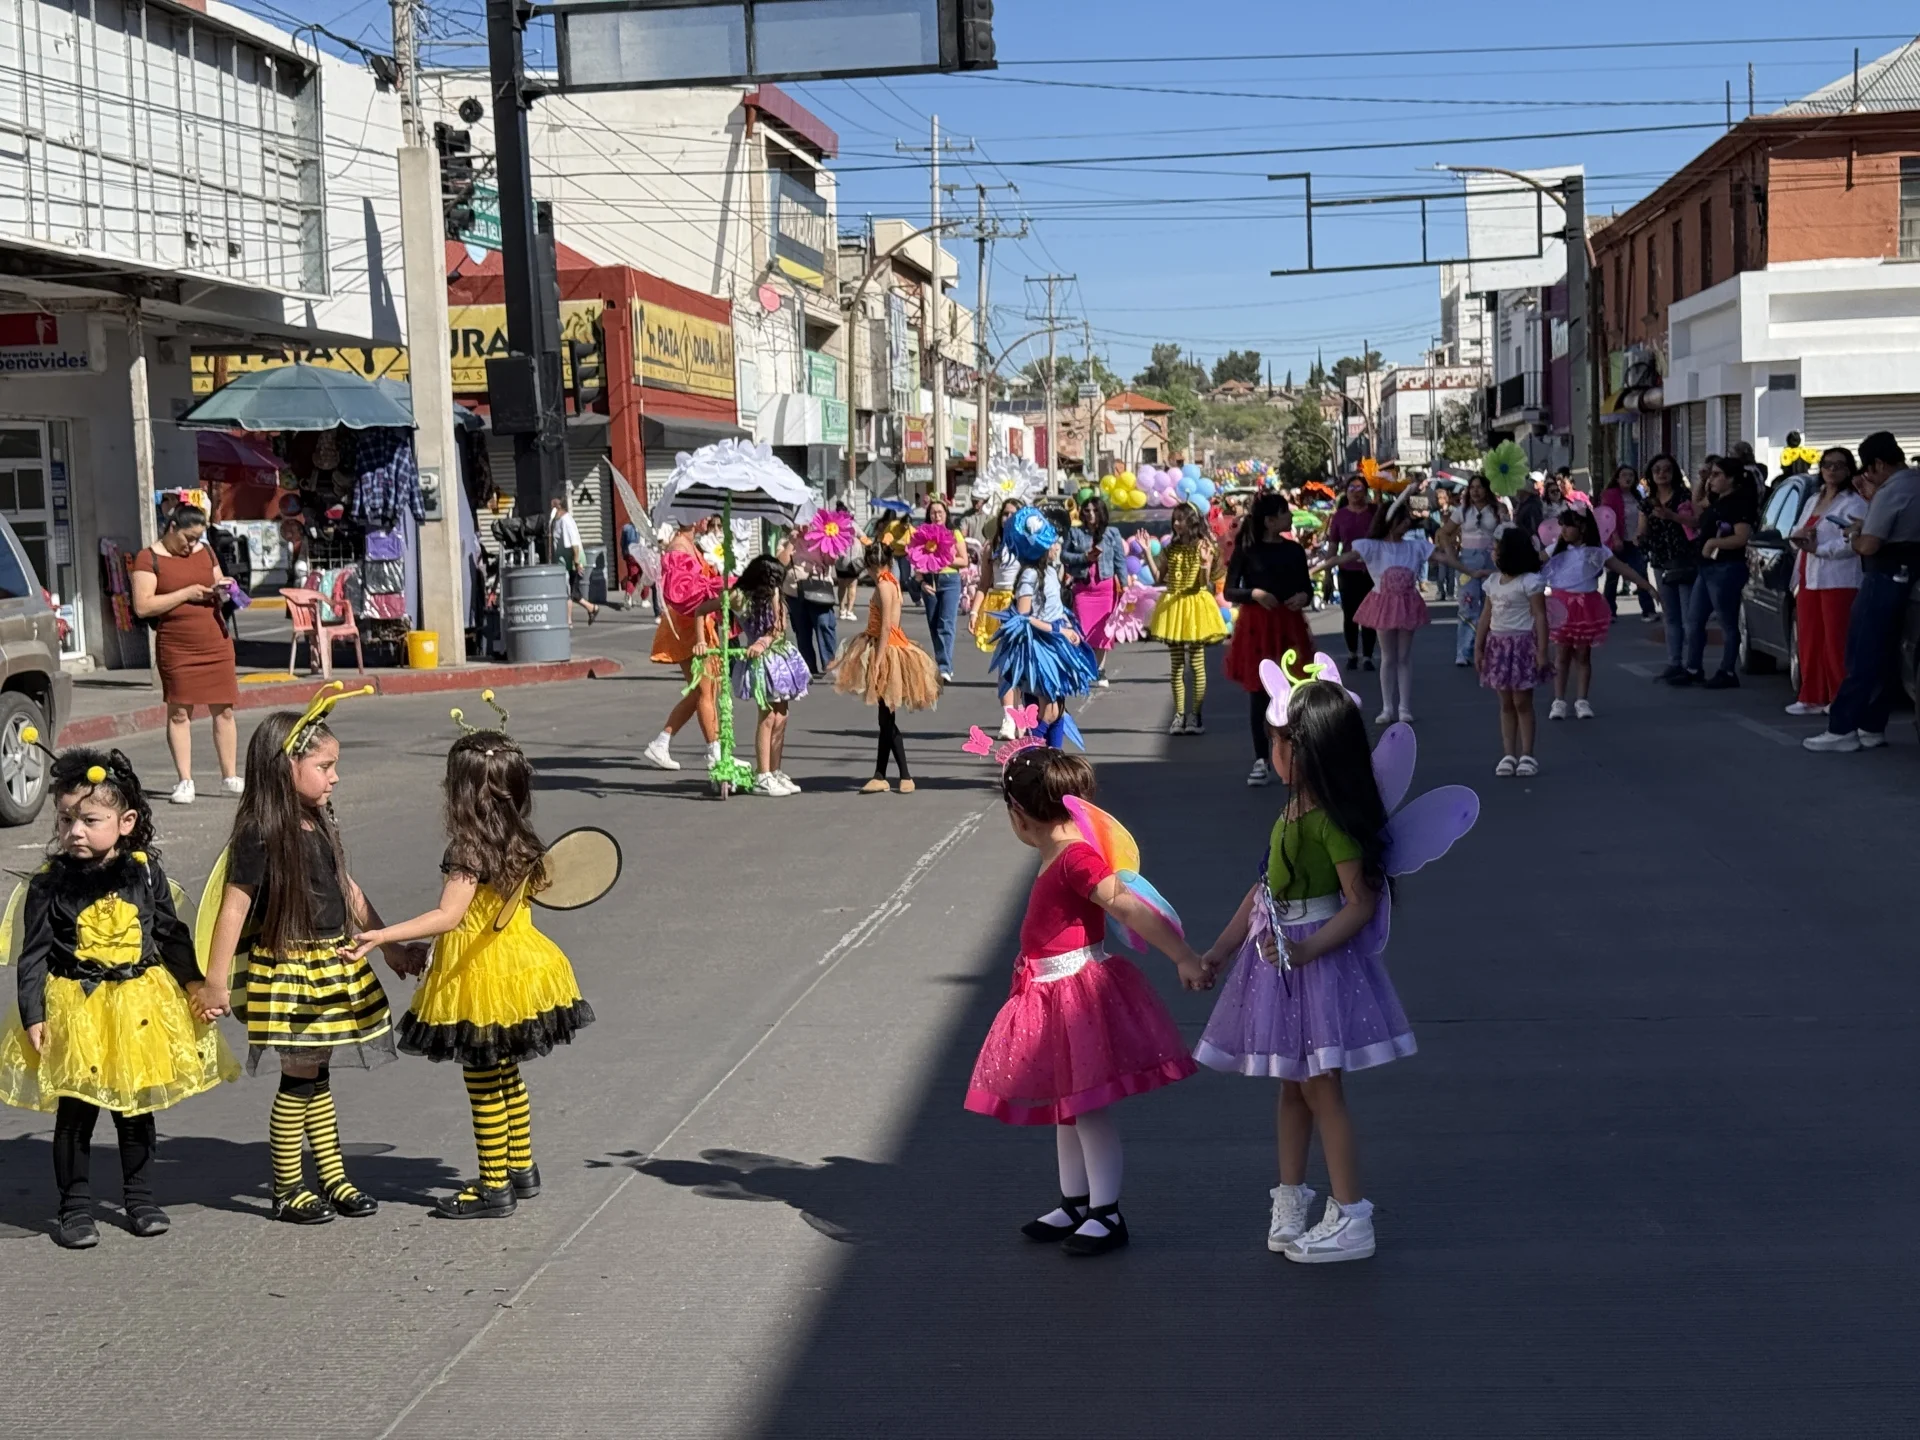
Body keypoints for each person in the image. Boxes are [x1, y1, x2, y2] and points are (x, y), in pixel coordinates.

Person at [1193, 676, 1405, 1263]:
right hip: (1281, 957)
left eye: (1278, 741)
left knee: (1321, 1087)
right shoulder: (1293, 810)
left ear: (1309, 747)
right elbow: (1262, 890)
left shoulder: (1329, 821)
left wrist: (1308, 951)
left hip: (1311, 960)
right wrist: (1219, 949)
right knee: (1293, 1084)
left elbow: (1359, 901)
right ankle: (1292, 1199)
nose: (1271, 752)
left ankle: (1353, 1216)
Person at [963, 748, 1206, 1256]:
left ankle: (1107, 1211)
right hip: (1048, 993)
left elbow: (1125, 905)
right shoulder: (1059, 851)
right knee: (1065, 1108)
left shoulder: (1075, 856)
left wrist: (1181, 954)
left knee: (1088, 1108)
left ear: (1018, 814)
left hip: (1074, 995)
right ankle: (1076, 1200)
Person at [347, 726, 594, 1219]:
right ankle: (522, 1170)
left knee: (482, 1082)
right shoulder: (521, 838)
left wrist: (383, 935)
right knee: (508, 1074)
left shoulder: (468, 847)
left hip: (477, 974)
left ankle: (492, 1185)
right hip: (521, 966)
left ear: (459, 790)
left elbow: (449, 916)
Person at [195, 703, 422, 1225]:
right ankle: (287, 1185)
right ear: (285, 767)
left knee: (314, 1073)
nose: (335, 777)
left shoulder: (316, 818)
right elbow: (234, 908)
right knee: (299, 1076)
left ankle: (333, 1176)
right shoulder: (260, 832)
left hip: (327, 963)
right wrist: (215, 981)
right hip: (289, 969)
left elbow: (346, 888)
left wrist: (387, 945)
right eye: (325, 766)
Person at [0, 748, 236, 1248]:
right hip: (76, 1009)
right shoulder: (49, 884)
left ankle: (140, 1197)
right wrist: (33, 1014)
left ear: (125, 821)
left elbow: (171, 936)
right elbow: (33, 956)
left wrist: (196, 983)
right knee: (77, 1113)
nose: (75, 831)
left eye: (90, 820)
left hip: (138, 1009)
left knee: (135, 1107)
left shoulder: (145, 873)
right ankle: (74, 1207)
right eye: (65, 820)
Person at [1805, 432, 1920, 752]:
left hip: (1882, 576)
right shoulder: (1916, 482)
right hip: (1910, 577)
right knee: (1887, 657)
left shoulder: (1892, 490)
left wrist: (1855, 536)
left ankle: (1842, 728)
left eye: (1869, 471)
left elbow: (1870, 543)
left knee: (1861, 653)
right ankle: (1872, 725)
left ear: (1879, 464)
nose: (1867, 477)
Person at [130, 504, 241, 805]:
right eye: (188, 538)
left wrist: (224, 589)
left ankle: (229, 777)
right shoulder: (148, 558)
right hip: (177, 645)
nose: (192, 544)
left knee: (225, 709)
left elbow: (217, 584)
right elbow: (143, 606)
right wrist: (185, 594)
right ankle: (185, 780)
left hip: (214, 639)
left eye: (197, 538)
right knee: (180, 712)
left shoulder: (205, 552)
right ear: (172, 527)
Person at [1319, 497, 1448, 725]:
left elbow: (1442, 557)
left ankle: (1404, 707)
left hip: (1408, 604)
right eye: (1402, 520)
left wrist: (1470, 569)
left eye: (1408, 520)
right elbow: (1343, 557)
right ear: (1390, 522)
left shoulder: (1414, 546)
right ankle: (1388, 707)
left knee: (1404, 657)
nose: (1407, 524)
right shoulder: (1373, 546)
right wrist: (1316, 568)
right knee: (1389, 657)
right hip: (1383, 604)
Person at [832, 541, 940, 794]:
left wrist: (878, 662)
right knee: (885, 717)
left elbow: (885, 628)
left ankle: (904, 775)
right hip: (890, 645)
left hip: (886, 648)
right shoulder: (892, 580)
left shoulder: (882, 584)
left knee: (886, 717)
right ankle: (881, 774)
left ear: (870, 565)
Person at [1223, 491, 1313, 786]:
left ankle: (1295, 757)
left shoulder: (1294, 550)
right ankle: (1261, 759)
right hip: (1258, 627)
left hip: (1290, 625)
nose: (1290, 517)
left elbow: (1306, 588)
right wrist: (1255, 594)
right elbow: (1229, 591)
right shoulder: (1247, 549)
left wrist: (1303, 596)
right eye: (1284, 512)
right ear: (1270, 520)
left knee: (1296, 692)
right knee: (1259, 693)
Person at [990, 509, 1099, 751]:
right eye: (1052, 542)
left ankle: (1053, 760)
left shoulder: (1050, 571)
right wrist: (1058, 630)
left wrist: (1069, 626)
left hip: (1055, 646)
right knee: (1048, 711)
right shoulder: (1029, 575)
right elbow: (1023, 618)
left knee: (1058, 709)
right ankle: (1028, 757)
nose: (1057, 546)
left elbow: (1056, 608)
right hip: (1039, 650)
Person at [1542, 506, 1655, 720]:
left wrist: (1647, 586)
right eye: (1562, 525)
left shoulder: (1598, 551)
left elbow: (1623, 569)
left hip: (1586, 606)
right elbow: (1530, 563)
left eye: (1569, 525)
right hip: (1561, 606)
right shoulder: (1555, 549)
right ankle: (1559, 701)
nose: (1564, 530)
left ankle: (1582, 700)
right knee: (1562, 654)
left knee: (1583, 655)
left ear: (1583, 527)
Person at [1785, 447, 1869, 715]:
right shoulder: (1813, 498)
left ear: (1849, 470)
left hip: (1839, 579)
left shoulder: (1855, 503)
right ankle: (1811, 695)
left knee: (1836, 641)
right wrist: (1798, 538)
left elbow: (1850, 542)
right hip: (1809, 575)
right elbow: (1796, 530)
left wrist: (1818, 549)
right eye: (1827, 464)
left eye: (1839, 465)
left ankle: (1839, 697)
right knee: (1810, 640)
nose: (1832, 470)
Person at [642, 520, 725, 775]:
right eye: (704, 516)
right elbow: (681, 595)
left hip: (699, 625)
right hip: (686, 628)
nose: (709, 520)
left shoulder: (692, 545)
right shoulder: (679, 547)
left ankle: (662, 742)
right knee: (704, 690)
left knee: (706, 689)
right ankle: (715, 751)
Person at [1672, 455, 1758, 689]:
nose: (1713, 479)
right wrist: (1702, 480)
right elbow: (1697, 503)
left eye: (1717, 475)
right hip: (1707, 567)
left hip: (1726, 567)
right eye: (1712, 474)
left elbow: (1741, 537)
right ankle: (1693, 668)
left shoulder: (1739, 503)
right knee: (1694, 619)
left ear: (1732, 479)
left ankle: (1727, 670)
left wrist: (1713, 543)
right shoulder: (1718, 500)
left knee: (1727, 621)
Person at [731, 556, 810, 796]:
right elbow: (706, 609)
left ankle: (775, 770)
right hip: (761, 661)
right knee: (767, 716)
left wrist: (766, 640)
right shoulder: (739, 596)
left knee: (782, 716)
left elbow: (777, 628)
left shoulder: (775, 594)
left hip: (779, 657)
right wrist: (705, 639)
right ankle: (763, 774)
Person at [1476, 527, 1552, 777]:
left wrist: (1542, 651)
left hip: (1521, 645)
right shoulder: (1492, 583)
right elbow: (1486, 616)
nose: (1494, 552)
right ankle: (1508, 753)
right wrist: (1478, 647)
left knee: (1522, 702)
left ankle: (1527, 755)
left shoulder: (1530, 582)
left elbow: (1540, 616)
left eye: (1498, 548)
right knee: (1506, 702)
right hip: (1498, 646)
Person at [1148, 501, 1228, 735]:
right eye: (1174, 519)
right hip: (1174, 607)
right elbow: (1157, 577)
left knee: (1196, 664)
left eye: (1180, 519)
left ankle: (1195, 715)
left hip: (1195, 607)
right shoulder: (1170, 548)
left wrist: (1204, 564)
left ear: (1191, 521)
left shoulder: (1205, 546)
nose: (1176, 523)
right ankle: (1179, 715)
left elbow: (1204, 582)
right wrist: (1146, 552)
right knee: (1176, 666)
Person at [1637, 454, 1697, 681]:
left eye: (1667, 470)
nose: (1662, 474)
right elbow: (1643, 530)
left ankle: (1692, 665)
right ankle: (1674, 662)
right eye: (1657, 470)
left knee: (1689, 616)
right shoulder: (1648, 502)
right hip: (1661, 561)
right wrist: (1640, 538)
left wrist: (1671, 516)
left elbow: (1695, 523)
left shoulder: (1684, 496)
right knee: (1670, 615)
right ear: (1651, 475)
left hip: (1684, 560)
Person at [1439, 475, 1506, 666]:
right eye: (1472, 487)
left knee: (1493, 606)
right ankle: (1464, 650)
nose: (1475, 491)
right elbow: (1445, 532)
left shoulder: (1496, 510)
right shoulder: (1462, 511)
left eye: (1480, 487)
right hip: (1468, 560)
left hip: (1492, 560)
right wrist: (1451, 555)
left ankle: (1491, 650)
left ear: (1487, 490)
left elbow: (1507, 531)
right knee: (1467, 604)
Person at [1071, 496, 1127, 689]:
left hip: (1106, 589)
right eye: (1087, 511)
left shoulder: (1112, 534)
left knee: (1103, 631)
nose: (1091, 515)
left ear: (1101, 512)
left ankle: (1100, 670)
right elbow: (1064, 555)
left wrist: (1125, 585)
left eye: (1095, 510)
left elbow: (1120, 561)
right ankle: (1085, 668)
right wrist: (1084, 557)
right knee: (1083, 631)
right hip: (1083, 589)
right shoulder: (1075, 533)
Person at [1325, 477, 1378, 669]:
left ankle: (1368, 656)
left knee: (1370, 615)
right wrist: (1327, 574)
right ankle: (1352, 653)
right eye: (1352, 488)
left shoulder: (1374, 512)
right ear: (1346, 492)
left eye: (1360, 488)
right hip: (1347, 571)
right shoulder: (1339, 516)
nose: (1356, 493)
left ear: (1366, 492)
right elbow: (1333, 546)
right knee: (1350, 615)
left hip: (1371, 572)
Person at [914, 498, 968, 683]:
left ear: (946, 515)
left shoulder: (954, 533)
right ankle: (940, 663)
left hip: (950, 581)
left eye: (940, 512)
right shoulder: (922, 534)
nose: (936, 516)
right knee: (934, 625)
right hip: (929, 580)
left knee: (946, 624)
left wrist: (943, 559)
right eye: (933, 512)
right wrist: (921, 582)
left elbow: (964, 560)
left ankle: (945, 667)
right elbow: (916, 561)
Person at [1600, 465, 1656, 619]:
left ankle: (1648, 610)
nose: (1627, 478)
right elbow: (1607, 517)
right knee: (1613, 577)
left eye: (1631, 474)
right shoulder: (1610, 495)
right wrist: (1615, 537)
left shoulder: (1637, 495)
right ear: (1617, 478)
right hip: (1617, 541)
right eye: (1624, 474)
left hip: (1635, 541)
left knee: (1641, 574)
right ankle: (1609, 611)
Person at [782, 539, 839, 678]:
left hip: (819, 589)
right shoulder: (787, 540)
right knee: (802, 631)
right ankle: (808, 667)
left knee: (824, 624)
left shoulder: (821, 536)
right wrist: (792, 541)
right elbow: (781, 562)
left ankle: (830, 665)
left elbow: (831, 561)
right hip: (795, 591)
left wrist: (828, 542)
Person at [548, 495, 599, 628]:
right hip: (563, 562)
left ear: (559, 506)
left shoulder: (566, 521)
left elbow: (574, 544)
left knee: (568, 591)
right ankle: (592, 608)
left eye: (553, 504)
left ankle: (569, 620)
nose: (551, 506)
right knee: (572, 592)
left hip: (571, 562)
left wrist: (577, 563)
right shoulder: (556, 520)